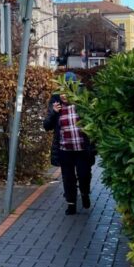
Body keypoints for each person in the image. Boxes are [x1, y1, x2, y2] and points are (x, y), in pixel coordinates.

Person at [44, 71, 95, 215]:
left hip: (82, 148)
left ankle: (85, 194)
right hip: (65, 149)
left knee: (84, 175)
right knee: (68, 178)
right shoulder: (55, 103)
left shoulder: (82, 102)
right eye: (62, 90)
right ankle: (71, 204)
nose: (64, 94)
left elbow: (94, 120)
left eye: (68, 90)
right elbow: (46, 126)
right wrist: (53, 112)